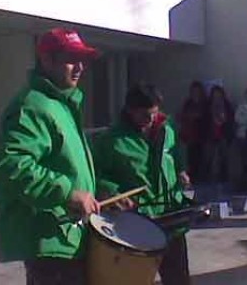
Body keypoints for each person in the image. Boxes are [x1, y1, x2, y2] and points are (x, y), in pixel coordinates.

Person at [0, 28, 101, 285]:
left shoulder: (61, 104)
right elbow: (11, 166)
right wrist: (68, 193)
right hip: (51, 243)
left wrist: (97, 191)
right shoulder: (32, 105)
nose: (80, 67)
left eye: (82, 60)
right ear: (47, 60)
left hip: (69, 238)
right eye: (71, 59)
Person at [93, 83, 191, 285]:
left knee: (179, 279)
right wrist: (111, 191)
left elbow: (176, 153)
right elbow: (95, 175)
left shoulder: (167, 129)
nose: (151, 120)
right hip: (138, 224)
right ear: (130, 111)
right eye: (145, 115)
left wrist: (181, 170)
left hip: (171, 218)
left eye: (155, 114)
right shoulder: (111, 141)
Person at [204, 85, 235, 197]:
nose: (216, 96)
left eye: (218, 94)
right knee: (212, 161)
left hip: (224, 136)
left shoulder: (226, 106)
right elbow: (205, 120)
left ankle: (225, 185)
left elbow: (230, 120)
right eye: (214, 94)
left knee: (225, 160)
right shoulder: (208, 106)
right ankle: (214, 185)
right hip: (211, 137)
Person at [178, 81, 208, 183]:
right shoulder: (188, 103)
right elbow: (183, 116)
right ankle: (193, 180)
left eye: (197, 91)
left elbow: (205, 116)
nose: (196, 93)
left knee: (204, 159)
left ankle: (203, 180)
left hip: (203, 136)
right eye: (193, 91)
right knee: (192, 159)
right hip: (191, 136)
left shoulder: (205, 103)